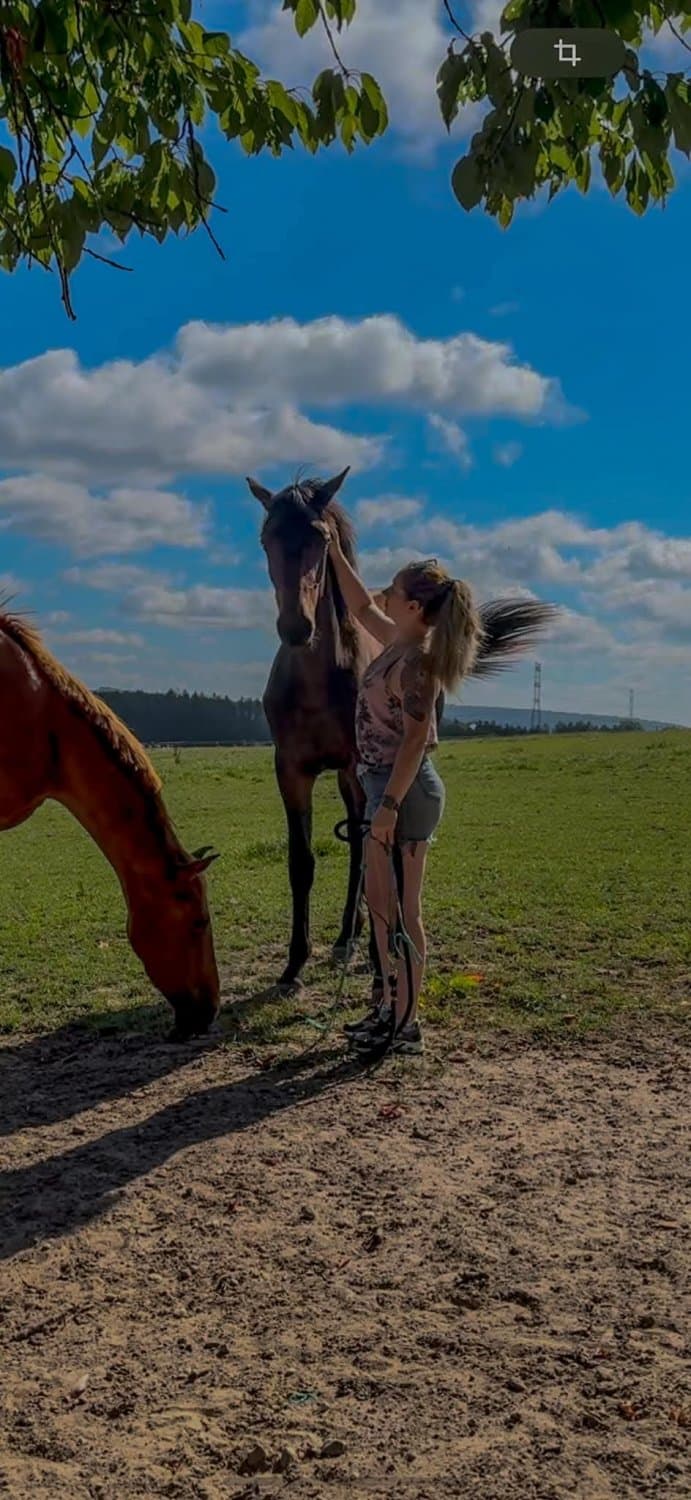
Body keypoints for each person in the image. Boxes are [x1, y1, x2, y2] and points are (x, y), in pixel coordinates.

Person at [326, 533, 484, 1057]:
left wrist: (389, 806)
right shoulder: (398, 641)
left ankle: (407, 1024)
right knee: (380, 907)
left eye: (393, 592)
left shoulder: (416, 661)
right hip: (382, 786)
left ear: (414, 607)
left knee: (405, 911)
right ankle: (387, 1009)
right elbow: (359, 604)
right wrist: (332, 551)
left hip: (405, 792)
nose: (383, 595)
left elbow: (417, 738)